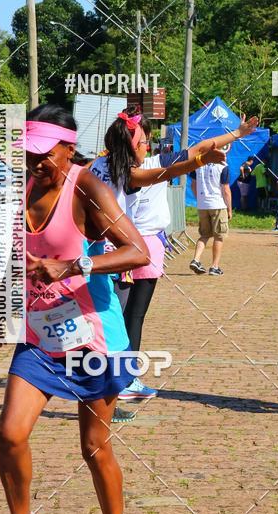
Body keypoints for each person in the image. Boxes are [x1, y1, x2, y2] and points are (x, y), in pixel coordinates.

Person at [0, 104, 150, 514]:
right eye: (26, 152)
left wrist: (73, 267)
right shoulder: (19, 188)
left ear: (68, 149)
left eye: (42, 154)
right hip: (38, 336)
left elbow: (136, 251)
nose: (34, 162)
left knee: (94, 447)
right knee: (10, 433)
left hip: (91, 338)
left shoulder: (87, 187)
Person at [91, 109, 256, 408]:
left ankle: (116, 384)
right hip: (123, 251)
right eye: (142, 142)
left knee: (114, 321)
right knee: (123, 320)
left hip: (110, 250)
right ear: (129, 145)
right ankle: (115, 386)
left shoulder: (97, 166)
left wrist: (235, 135)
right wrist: (199, 161)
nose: (146, 146)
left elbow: (198, 147)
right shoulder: (130, 171)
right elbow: (169, 169)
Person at [189, 144, 232, 276]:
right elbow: (225, 190)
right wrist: (229, 208)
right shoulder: (223, 166)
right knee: (219, 236)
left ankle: (196, 259)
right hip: (218, 204)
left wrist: (199, 200)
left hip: (203, 204)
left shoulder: (199, 164)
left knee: (204, 235)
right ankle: (214, 266)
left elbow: (193, 185)